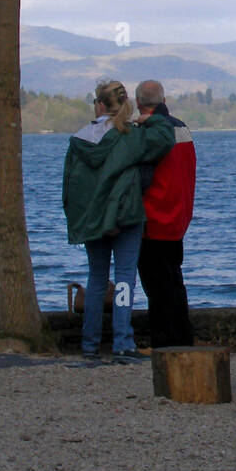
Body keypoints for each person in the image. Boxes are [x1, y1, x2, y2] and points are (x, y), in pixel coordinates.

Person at [63, 80, 173, 360]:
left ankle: (90, 345)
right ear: (126, 105)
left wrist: (77, 218)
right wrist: (149, 119)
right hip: (125, 215)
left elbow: (70, 186)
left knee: (96, 280)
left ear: (99, 104)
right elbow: (165, 136)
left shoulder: (78, 140)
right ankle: (123, 343)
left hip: (92, 220)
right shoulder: (131, 136)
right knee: (124, 279)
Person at [134, 79, 197, 348]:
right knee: (174, 281)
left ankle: (164, 343)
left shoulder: (146, 131)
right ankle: (183, 337)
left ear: (138, 103)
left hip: (153, 219)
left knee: (157, 288)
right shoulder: (183, 128)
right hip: (179, 218)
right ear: (163, 100)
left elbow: (141, 174)